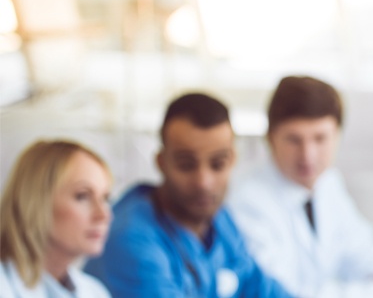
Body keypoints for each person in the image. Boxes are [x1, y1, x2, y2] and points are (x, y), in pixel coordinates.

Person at [84, 93, 292, 297]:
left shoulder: (219, 219)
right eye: (186, 165)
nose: (203, 182)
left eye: (218, 164)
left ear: (232, 161)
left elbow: (259, 285)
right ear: (161, 163)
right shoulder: (131, 240)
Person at [227, 76, 373, 298]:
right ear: (270, 138)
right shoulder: (247, 203)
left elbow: (359, 247)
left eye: (320, 138)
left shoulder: (328, 182)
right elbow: (283, 293)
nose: (308, 155)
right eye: (294, 140)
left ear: (338, 136)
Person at [0, 140, 113, 298]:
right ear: (36, 201)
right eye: (82, 196)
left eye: (105, 198)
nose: (103, 215)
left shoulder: (95, 292)